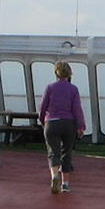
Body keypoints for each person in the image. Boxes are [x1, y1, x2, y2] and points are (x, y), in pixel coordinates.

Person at [38, 60, 85, 194]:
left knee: (53, 152)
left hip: (52, 122)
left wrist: (42, 121)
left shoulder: (50, 87)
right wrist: (81, 126)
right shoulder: (73, 89)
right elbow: (77, 109)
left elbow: (43, 107)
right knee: (66, 153)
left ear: (56, 73)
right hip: (68, 123)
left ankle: (54, 176)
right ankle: (65, 184)